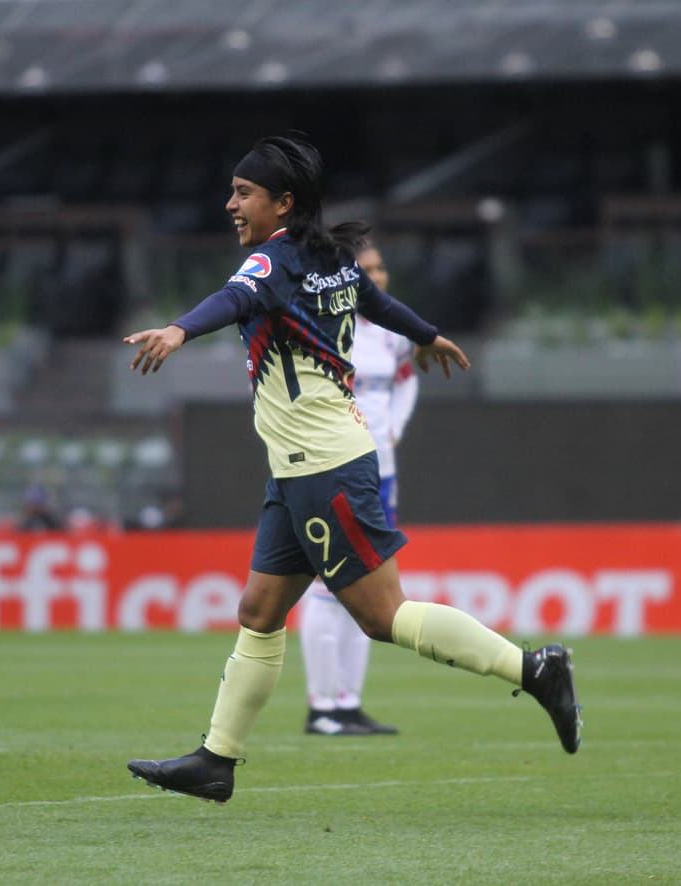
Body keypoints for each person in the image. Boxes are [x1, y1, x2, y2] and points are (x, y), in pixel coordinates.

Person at [124, 135, 580, 805]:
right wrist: (427, 335)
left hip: (325, 466)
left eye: (243, 193)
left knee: (381, 615)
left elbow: (230, 302)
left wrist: (177, 331)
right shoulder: (330, 257)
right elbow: (375, 303)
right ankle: (217, 759)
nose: (231, 204)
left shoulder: (271, 262)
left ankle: (535, 669)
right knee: (259, 610)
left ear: (283, 203)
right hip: (298, 468)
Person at [298, 224, 414, 737]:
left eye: (380, 269)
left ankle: (348, 702)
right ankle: (322, 706)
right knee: (327, 590)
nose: (376, 278)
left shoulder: (393, 336)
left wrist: (394, 427)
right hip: (336, 469)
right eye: (365, 271)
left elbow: (407, 383)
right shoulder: (324, 325)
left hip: (381, 474)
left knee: (369, 592)